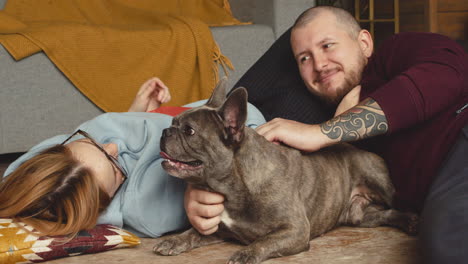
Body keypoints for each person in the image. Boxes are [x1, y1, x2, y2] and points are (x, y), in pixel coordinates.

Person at [184, 6, 468, 264]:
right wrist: (201, 190)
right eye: (304, 59)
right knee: (445, 241)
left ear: (365, 43)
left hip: (460, 142)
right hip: (433, 195)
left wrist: (324, 132)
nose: (319, 65)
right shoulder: (313, 116)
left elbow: (449, 73)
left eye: (328, 45)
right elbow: (231, 137)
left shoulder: (392, 55)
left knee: (449, 239)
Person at [0, 77, 267, 238]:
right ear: (106, 204)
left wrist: (134, 114)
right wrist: (194, 184)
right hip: (226, 122)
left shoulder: (39, 171)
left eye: (91, 140)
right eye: (117, 168)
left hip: (178, 113)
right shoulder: (148, 209)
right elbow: (250, 121)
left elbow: (17, 176)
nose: (114, 147)